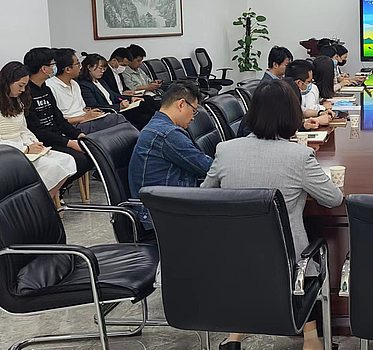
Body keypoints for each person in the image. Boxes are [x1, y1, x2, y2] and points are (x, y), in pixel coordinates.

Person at [202, 79, 343, 350]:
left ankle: (234, 336)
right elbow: (333, 199)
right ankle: (311, 339)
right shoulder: (299, 156)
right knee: (306, 257)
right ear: (291, 115)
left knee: (250, 266)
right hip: (288, 262)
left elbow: (205, 195)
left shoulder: (225, 150)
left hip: (234, 255)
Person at [128, 81, 214, 226]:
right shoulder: (168, 134)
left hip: (163, 205)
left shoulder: (158, 126)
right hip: (163, 214)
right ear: (181, 104)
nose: (193, 117)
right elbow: (205, 167)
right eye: (193, 110)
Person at [0, 62, 77, 207]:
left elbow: (23, 129)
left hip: (22, 145)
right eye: (20, 85)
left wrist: (33, 143)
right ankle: (38, 205)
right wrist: (25, 149)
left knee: (67, 160)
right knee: (51, 166)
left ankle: (41, 203)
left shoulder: (17, 101)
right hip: (7, 151)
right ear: (7, 81)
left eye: (25, 86)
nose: (23, 90)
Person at [23, 47, 91, 193]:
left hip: (58, 136)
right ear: (44, 68)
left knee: (92, 153)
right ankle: (54, 192)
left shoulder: (45, 89)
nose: (55, 67)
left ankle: (59, 188)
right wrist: (69, 143)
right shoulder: (26, 93)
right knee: (79, 160)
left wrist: (79, 135)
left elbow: (59, 118)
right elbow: (36, 129)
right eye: (53, 64)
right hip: (43, 141)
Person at [47, 48, 129, 133]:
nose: (80, 67)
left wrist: (91, 112)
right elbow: (56, 120)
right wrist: (84, 117)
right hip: (73, 126)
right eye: (77, 64)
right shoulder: (50, 87)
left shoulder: (75, 84)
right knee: (117, 119)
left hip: (85, 120)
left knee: (121, 124)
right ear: (68, 69)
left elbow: (83, 108)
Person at [77, 52, 155, 130]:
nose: (102, 71)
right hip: (110, 112)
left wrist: (131, 98)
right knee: (144, 115)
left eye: (104, 69)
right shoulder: (84, 85)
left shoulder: (101, 81)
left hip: (116, 108)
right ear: (89, 67)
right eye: (100, 68)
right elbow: (94, 106)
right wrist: (118, 106)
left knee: (146, 100)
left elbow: (114, 96)